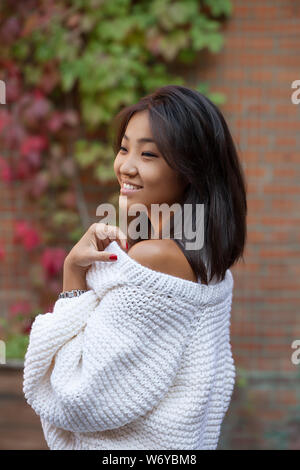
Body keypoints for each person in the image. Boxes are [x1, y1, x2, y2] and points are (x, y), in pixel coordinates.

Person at [23, 85, 247, 450]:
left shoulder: (154, 262)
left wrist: (72, 274)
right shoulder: (206, 260)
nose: (125, 166)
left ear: (190, 169)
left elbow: (76, 395)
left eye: (148, 155)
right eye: (124, 148)